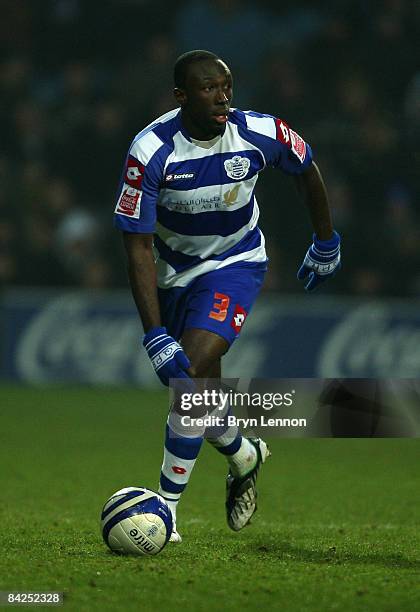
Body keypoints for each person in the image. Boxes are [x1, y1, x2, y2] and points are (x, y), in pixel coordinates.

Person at [113, 50, 341, 542]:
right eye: (208, 88)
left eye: (226, 86)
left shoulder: (260, 132)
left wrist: (326, 241)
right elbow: (136, 245)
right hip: (175, 272)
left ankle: (166, 509)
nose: (222, 96)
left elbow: (306, 170)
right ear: (180, 96)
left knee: (190, 375)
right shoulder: (151, 151)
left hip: (235, 265)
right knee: (196, 395)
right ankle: (243, 452)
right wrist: (154, 333)